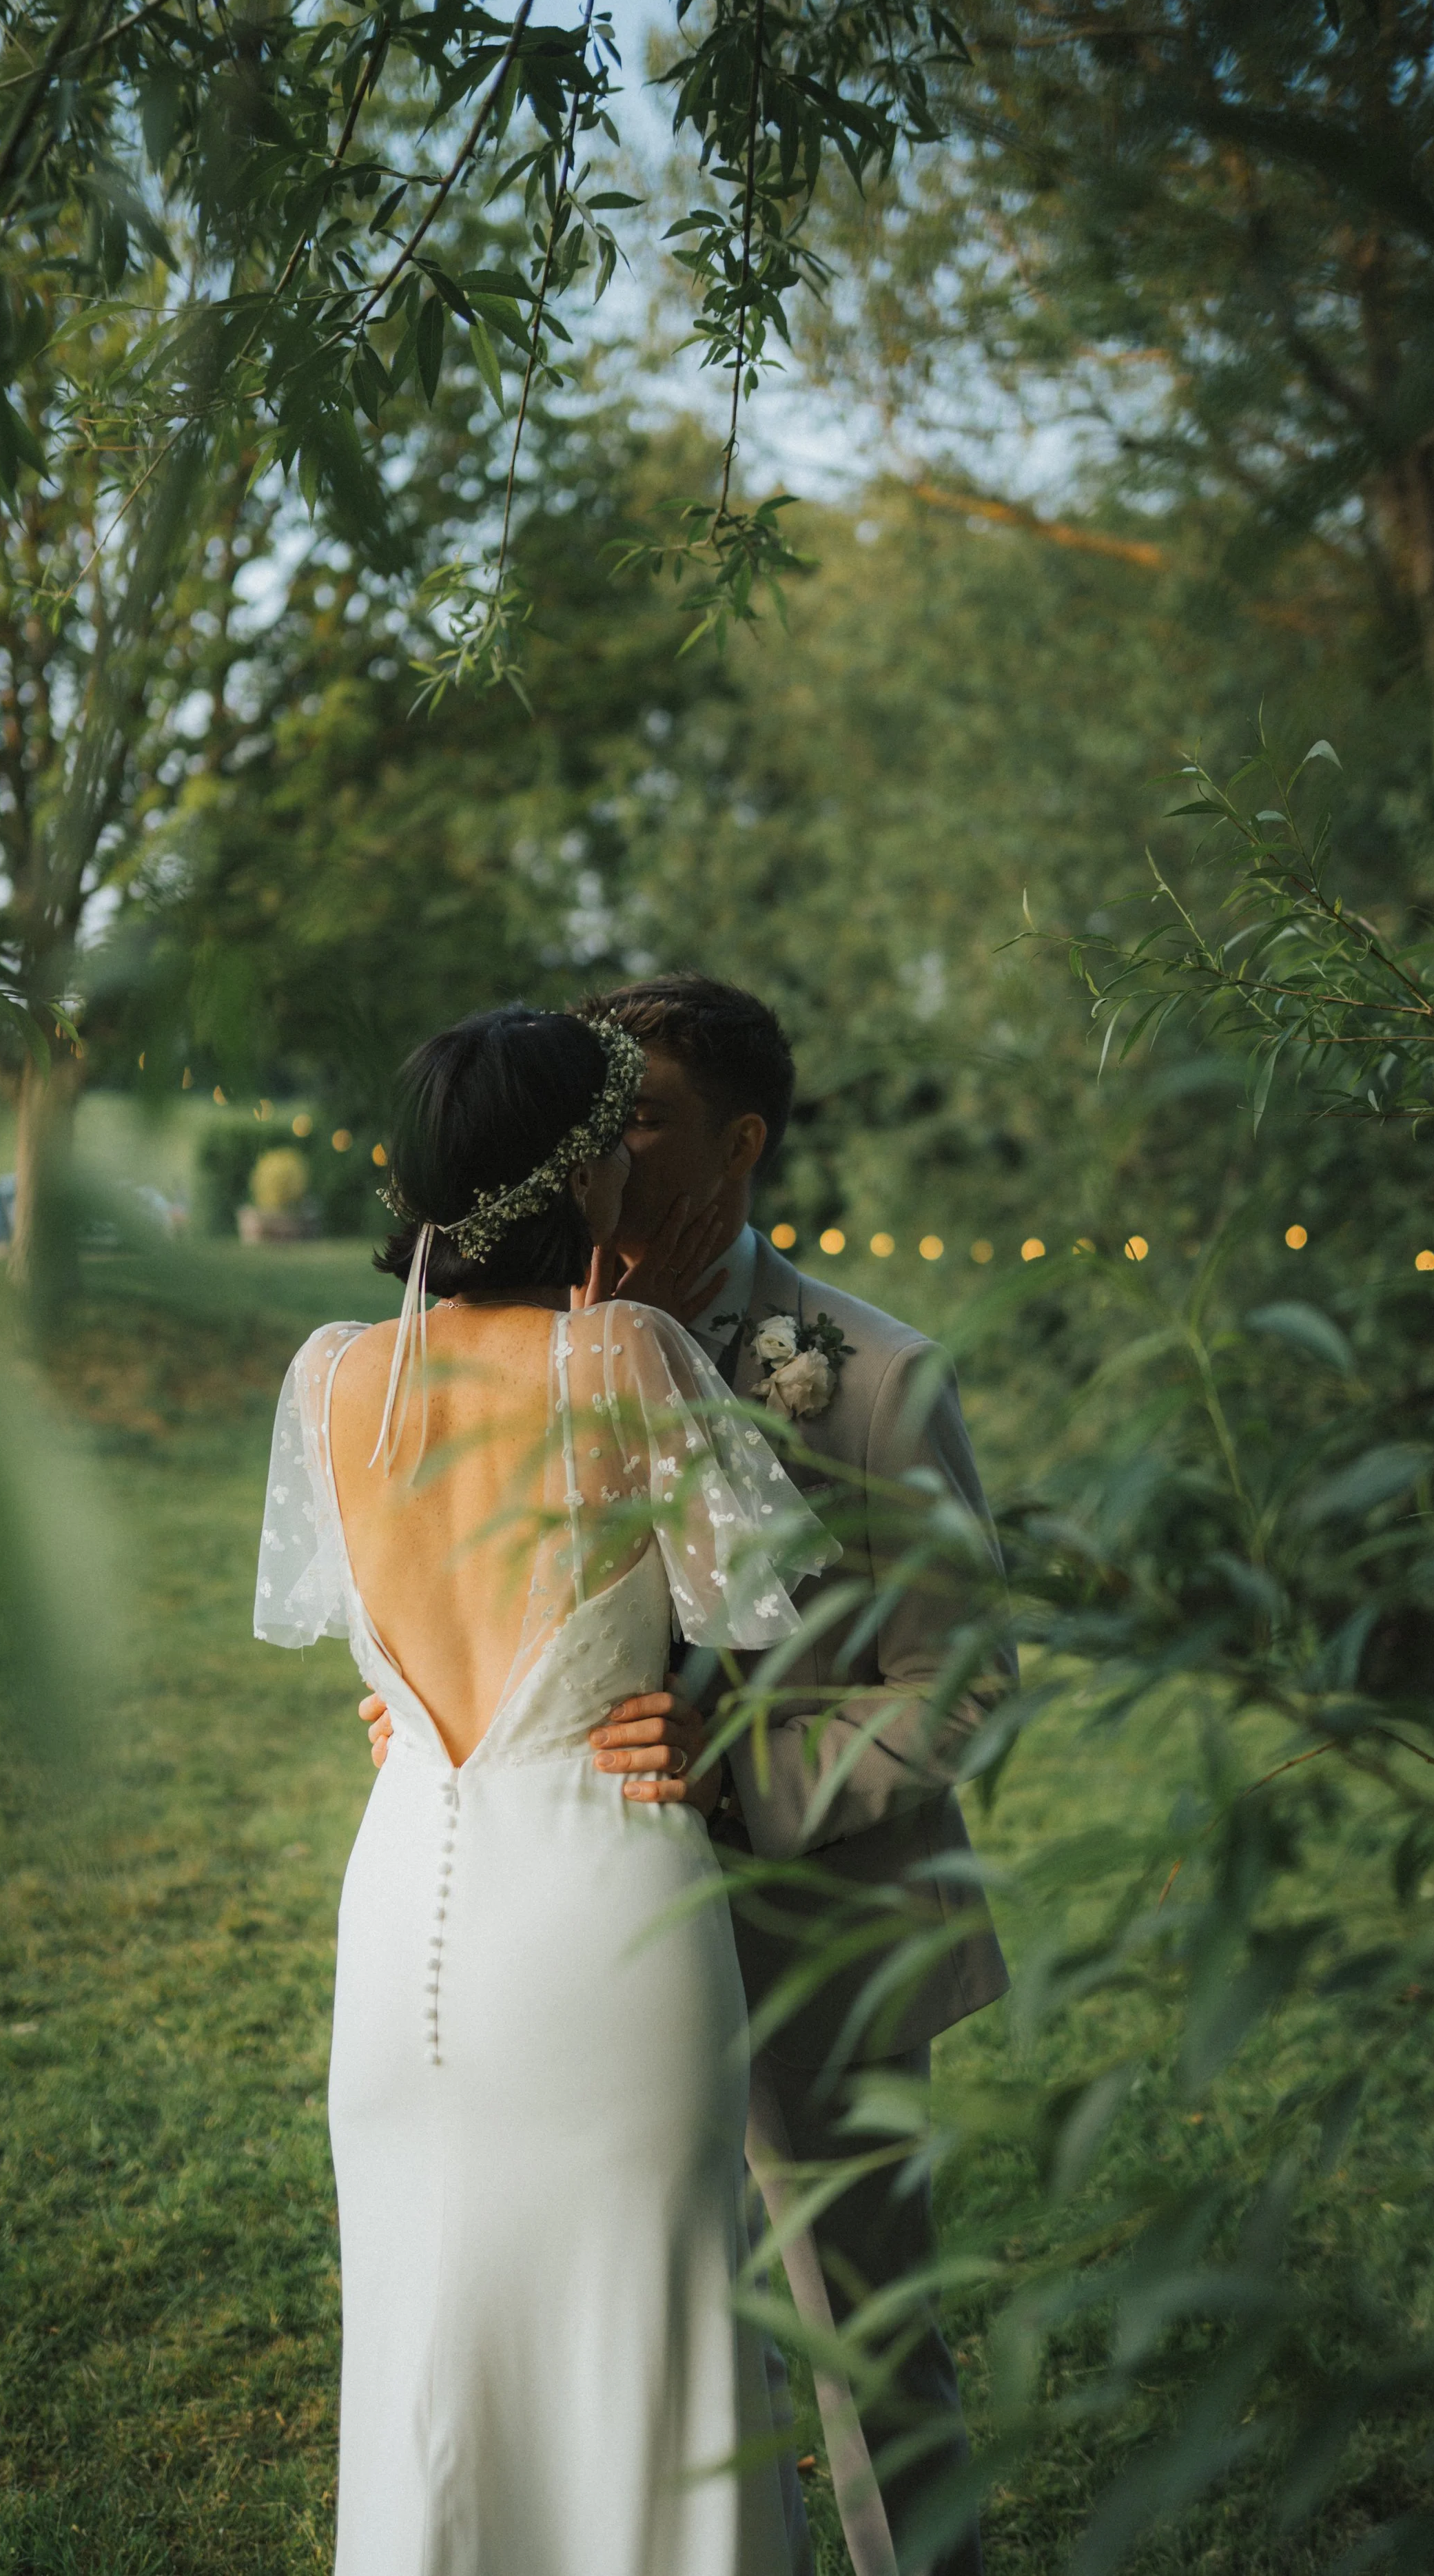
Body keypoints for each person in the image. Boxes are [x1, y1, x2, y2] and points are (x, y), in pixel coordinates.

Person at [362, 975, 1013, 2576]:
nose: (614, 1152)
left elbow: (967, 1686)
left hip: (811, 1934)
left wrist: (744, 1767)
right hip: (564, 1949)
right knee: (608, 2354)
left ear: (740, 1143)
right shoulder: (504, 1355)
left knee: (864, 2345)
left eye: (640, 1118)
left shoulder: (867, 1378)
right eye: (597, 1123)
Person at [256, 1003, 837, 2576]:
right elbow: (754, 1604)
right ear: (578, 1174)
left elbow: (378, 1648)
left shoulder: (334, 1381)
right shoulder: (624, 1358)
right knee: (641, 2344)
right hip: (600, 1913)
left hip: (402, 1913)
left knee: (428, 2339)